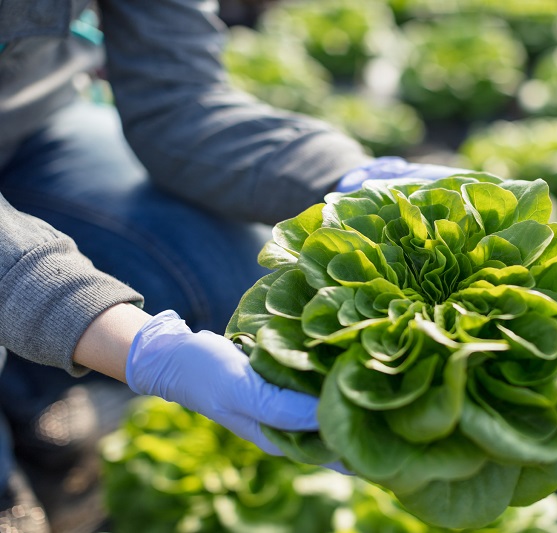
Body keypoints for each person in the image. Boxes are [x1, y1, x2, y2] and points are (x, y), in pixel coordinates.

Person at [0, 1, 462, 531]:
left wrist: (350, 179)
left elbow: (180, 100)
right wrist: (135, 346)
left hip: (30, 122)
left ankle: (23, 394)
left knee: (226, 270)